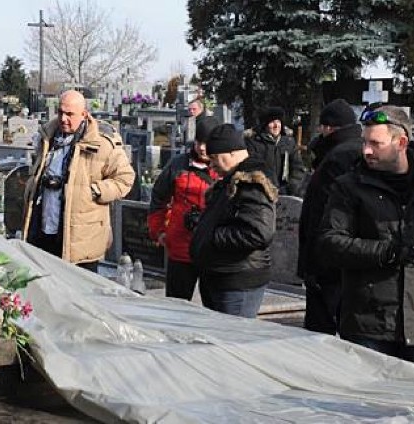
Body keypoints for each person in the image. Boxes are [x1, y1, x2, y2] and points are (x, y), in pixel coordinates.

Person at [318, 105, 414, 365]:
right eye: (364, 142)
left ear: (401, 142)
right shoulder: (350, 187)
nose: (366, 150)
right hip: (369, 326)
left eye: (375, 144)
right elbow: (330, 243)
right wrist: (387, 252)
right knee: (367, 401)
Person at [22, 90, 135, 271]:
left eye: (70, 114)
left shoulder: (102, 143)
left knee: (78, 293)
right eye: (60, 112)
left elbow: (125, 179)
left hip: (81, 239)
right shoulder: (48, 138)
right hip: (45, 229)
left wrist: (94, 191)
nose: (63, 119)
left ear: (84, 115)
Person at [190, 124, 277, 318]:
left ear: (230, 152)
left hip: (238, 281)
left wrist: (213, 236)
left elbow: (258, 232)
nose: (211, 166)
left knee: (231, 341)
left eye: (213, 159)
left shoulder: (252, 182)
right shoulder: (229, 180)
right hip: (221, 276)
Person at [297, 98, 361, 335]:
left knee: (320, 331)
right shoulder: (349, 151)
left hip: (328, 260)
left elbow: (321, 213)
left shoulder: (337, 157)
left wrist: (312, 262)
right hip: (339, 257)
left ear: (329, 128)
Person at [147, 116, 220, 300]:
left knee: (214, 308)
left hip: (212, 249)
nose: (202, 148)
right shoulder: (178, 165)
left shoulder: (224, 168)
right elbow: (158, 197)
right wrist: (159, 231)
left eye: (207, 143)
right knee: (176, 306)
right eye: (198, 142)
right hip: (180, 247)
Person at [245, 106, 305, 196]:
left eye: (278, 121)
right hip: (262, 194)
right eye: (272, 122)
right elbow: (252, 170)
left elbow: (297, 168)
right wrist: (267, 189)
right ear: (265, 124)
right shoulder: (254, 143)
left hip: (286, 193)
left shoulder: (289, 142)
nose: (276, 125)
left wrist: (291, 188)